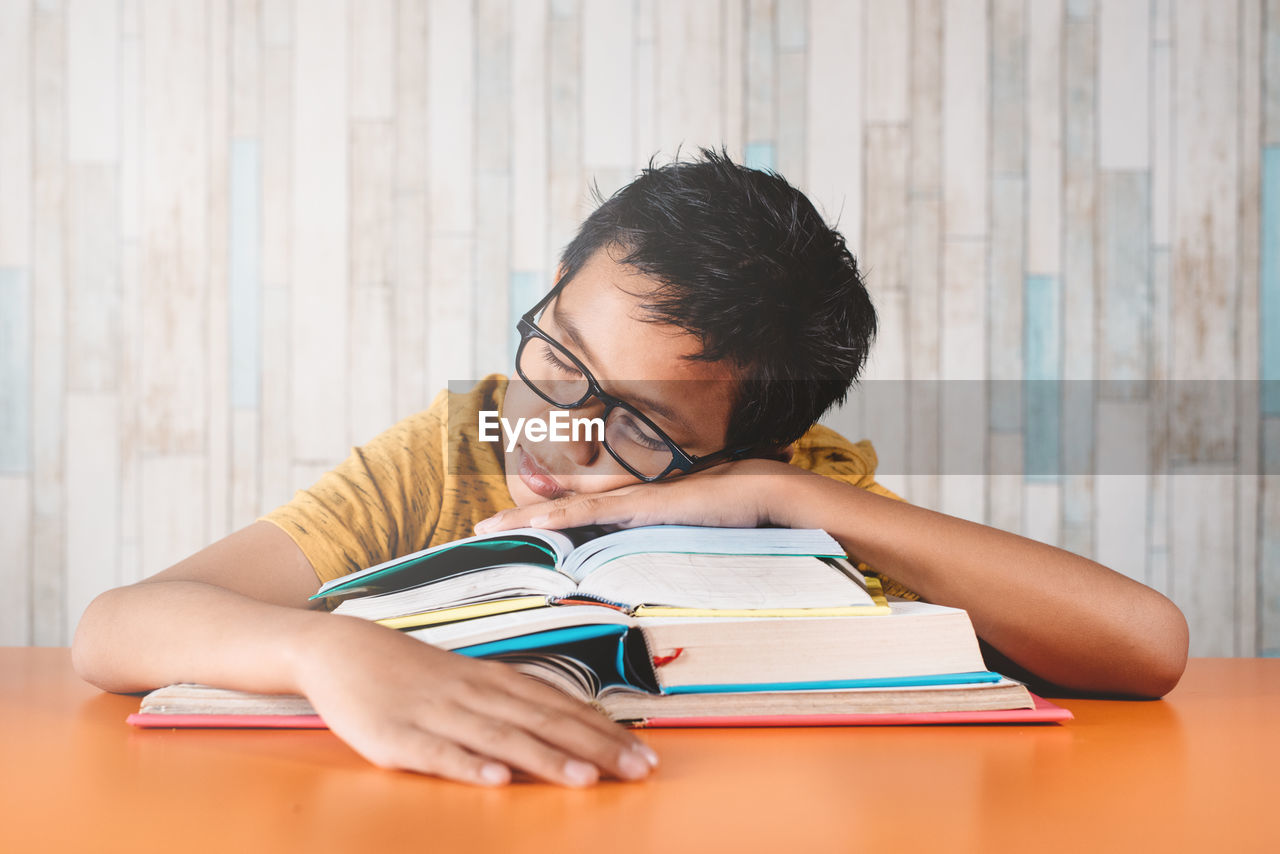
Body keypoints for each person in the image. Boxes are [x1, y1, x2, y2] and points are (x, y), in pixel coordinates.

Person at [72, 148, 1189, 788]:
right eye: (558, 358)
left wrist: (789, 498)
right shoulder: (453, 448)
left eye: (640, 424)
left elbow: (1143, 645)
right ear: (555, 285)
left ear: (748, 443)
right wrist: (322, 650)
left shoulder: (800, 482)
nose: (559, 432)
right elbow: (118, 625)